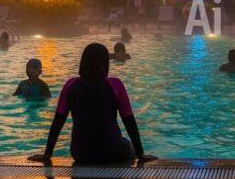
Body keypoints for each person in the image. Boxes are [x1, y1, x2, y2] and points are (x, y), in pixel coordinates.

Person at [29, 43, 157, 164]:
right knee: (127, 143)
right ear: (105, 63)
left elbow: (58, 121)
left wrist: (48, 154)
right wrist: (140, 154)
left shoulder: (70, 85)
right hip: (113, 152)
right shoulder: (115, 84)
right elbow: (129, 121)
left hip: (80, 154)